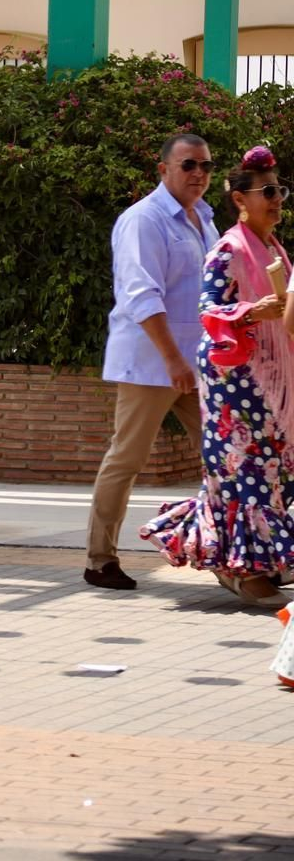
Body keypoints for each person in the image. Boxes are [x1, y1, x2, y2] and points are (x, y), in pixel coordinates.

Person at [138, 146, 294, 607]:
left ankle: (259, 561)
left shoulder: (274, 250)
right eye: (267, 191)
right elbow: (209, 310)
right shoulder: (227, 249)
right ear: (241, 200)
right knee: (245, 473)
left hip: (273, 380)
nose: (277, 199)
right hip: (236, 383)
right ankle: (239, 569)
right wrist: (252, 311)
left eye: (280, 189)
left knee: (273, 471)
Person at [85, 133, 220, 591]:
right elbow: (141, 295)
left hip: (198, 362)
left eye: (205, 165)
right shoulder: (143, 220)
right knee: (128, 457)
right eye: (188, 166)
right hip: (153, 361)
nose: (198, 174)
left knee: (225, 455)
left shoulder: (204, 219)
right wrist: (173, 360)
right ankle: (99, 559)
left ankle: (238, 556)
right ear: (163, 170)